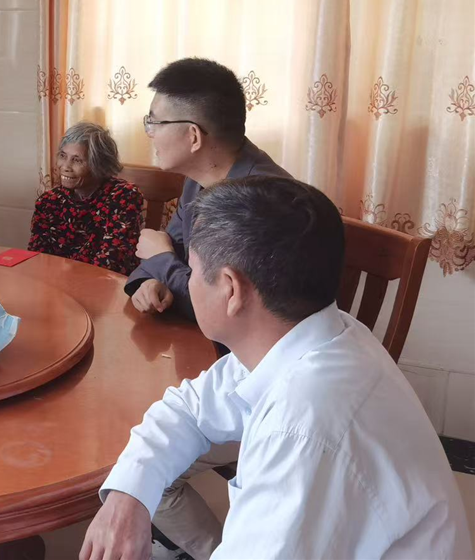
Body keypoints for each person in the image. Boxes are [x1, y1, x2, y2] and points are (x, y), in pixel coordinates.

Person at [82, 177, 472, 560]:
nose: (188, 281)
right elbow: (187, 408)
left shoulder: (303, 429)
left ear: (231, 289)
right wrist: (127, 495)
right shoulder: (315, 335)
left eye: (192, 269)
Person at [125, 58, 290, 320]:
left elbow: (224, 307)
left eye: (155, 123)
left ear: (193, 136)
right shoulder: (199, 177)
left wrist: (161, 259)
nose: (149, 133)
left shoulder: (261, 204)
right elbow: (168, 249)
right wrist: (150, 283)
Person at [29, 121, 144, 275]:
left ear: (99, 165)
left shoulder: (123, 196)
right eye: (63, 156)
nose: (65, 166)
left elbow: (114, 262)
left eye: (77, 160)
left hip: (106, 283)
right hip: (56, 282)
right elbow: (38, 258)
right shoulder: (48, 202)